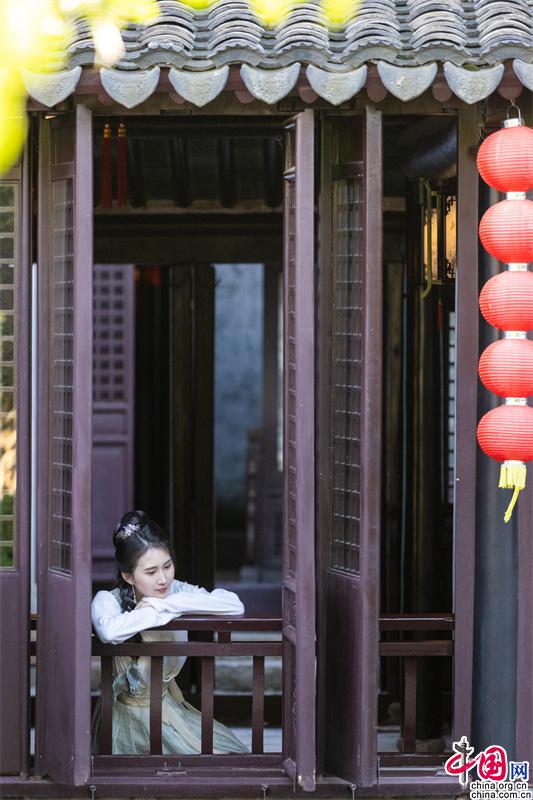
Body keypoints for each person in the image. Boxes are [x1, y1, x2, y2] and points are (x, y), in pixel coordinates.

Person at [91, 510, 248, 755]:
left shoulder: (174, 592)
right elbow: (109, 632)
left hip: (167, 709)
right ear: (128, 576)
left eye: (167, 566)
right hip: (127, 719)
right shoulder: (108, 600)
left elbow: (234, 605)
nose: (163, 579)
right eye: (151, 572)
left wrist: (164, 604)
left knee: (232, 754)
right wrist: (158, 610)